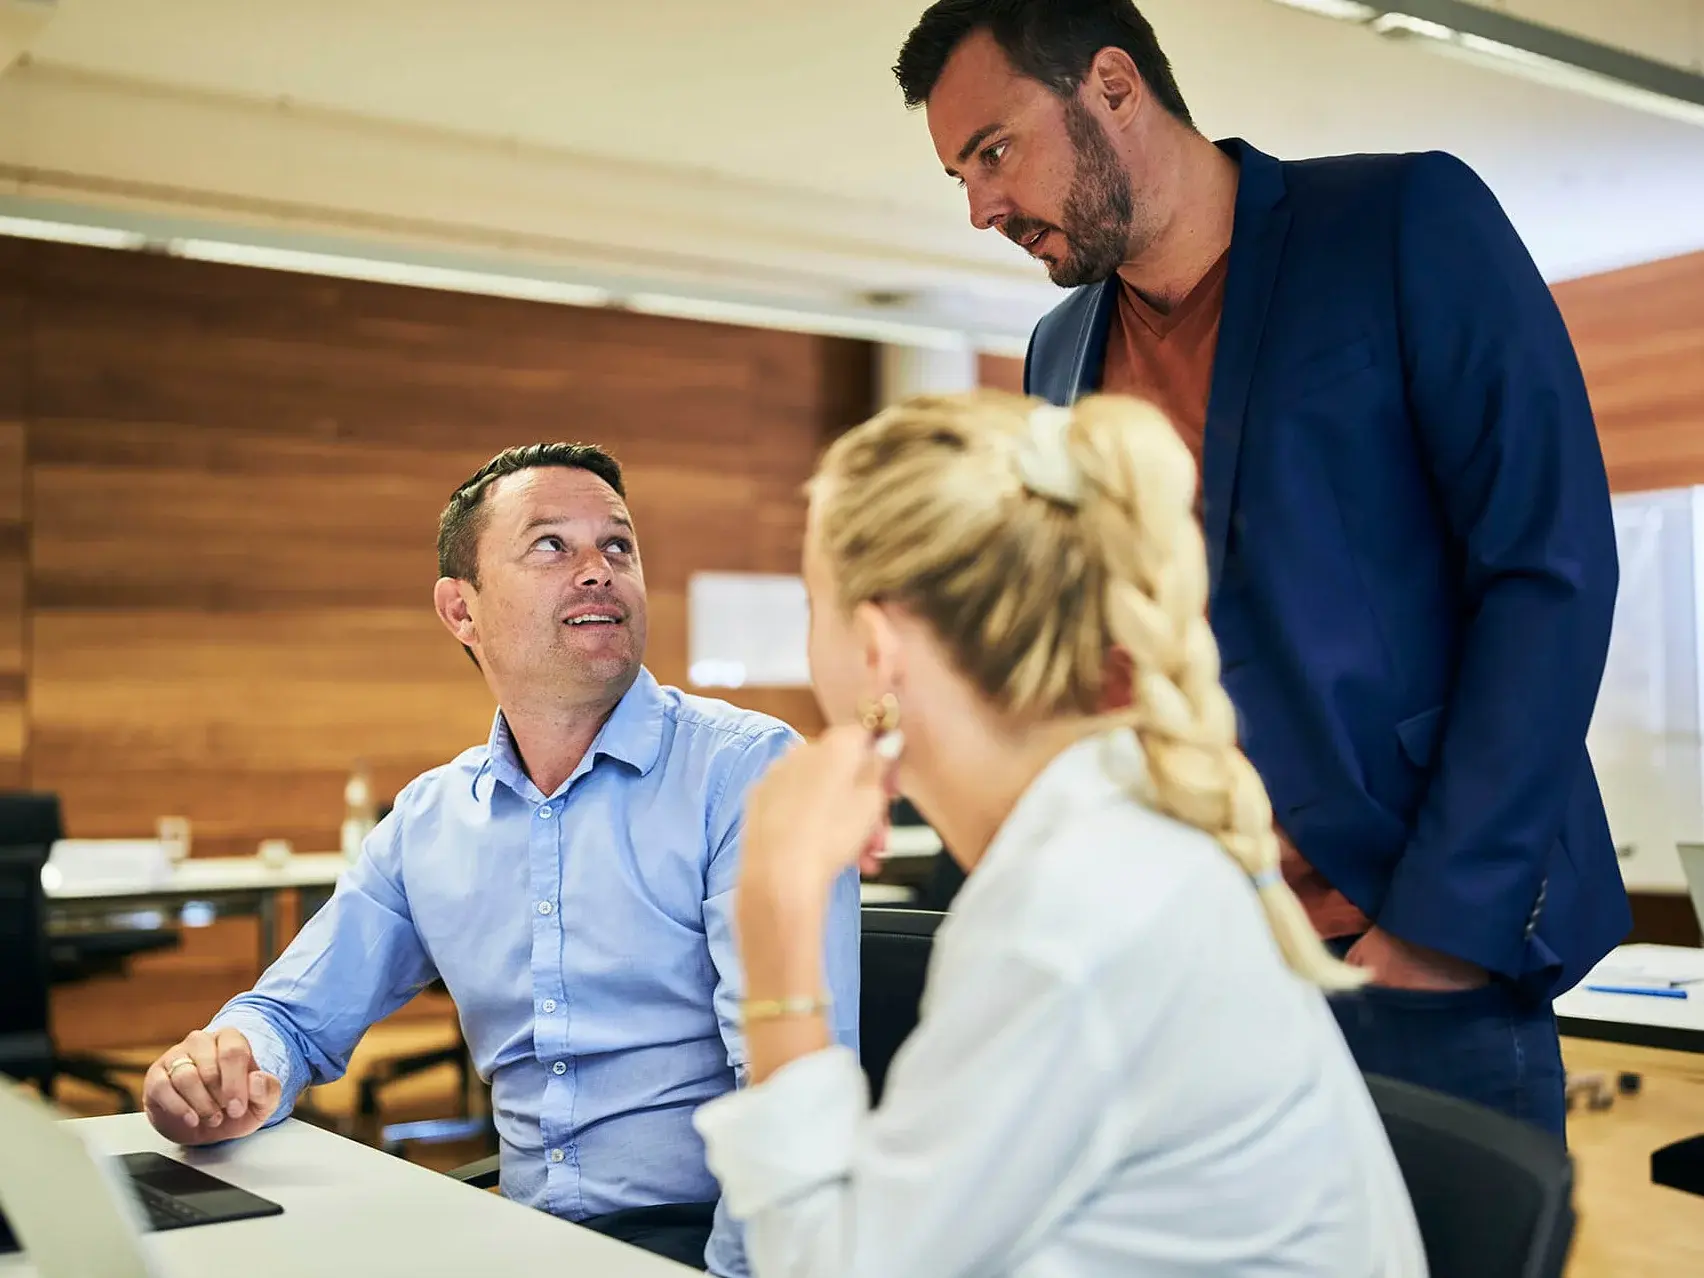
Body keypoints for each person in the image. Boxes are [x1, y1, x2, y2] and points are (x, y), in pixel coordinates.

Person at [891, 0, 1625, 1136]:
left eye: (994, 151)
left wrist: (1439, 931)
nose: (984, 207)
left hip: (1408, 945)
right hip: (1185, 968)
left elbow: (1548, 565)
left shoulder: (1401, 221)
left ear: (1115, 85)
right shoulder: (1056, 351)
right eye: (960, 178)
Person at [693, 389, 1425, 1277]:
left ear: (878, 653)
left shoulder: (1064, 917)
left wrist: (775, 908)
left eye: (814, 603)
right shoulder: (1109, 834)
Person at [139, 442, 861, 1275]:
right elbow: (292, 1019)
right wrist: (219, 1069)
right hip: (521, 1238)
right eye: (552, 545)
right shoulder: (430, 820)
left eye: (618, 545)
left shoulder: (745, 773)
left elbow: (788, 1100)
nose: (598, 570)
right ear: (461, 610)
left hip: (697, 1239)